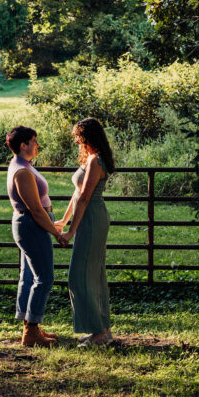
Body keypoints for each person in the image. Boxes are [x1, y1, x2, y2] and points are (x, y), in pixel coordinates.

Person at [6, 125, 67, 347]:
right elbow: (35, 208)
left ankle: (30, 326)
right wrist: (55, 232)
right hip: (32, 225)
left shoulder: (23, 165)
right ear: (23, 145)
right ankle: (31, 331)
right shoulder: (22, 172)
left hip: (32, 224)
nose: (37, 145)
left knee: (29, 277)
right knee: (45, 278)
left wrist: (52, 222)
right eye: (34, 141)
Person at [55, 117, 114, 346]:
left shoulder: (96, 161)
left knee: (80, 275)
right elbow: (77, 193)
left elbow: (86, 198)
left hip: (92, 217)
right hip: (89, 216)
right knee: (92, 274)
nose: (76, 140)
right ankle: (101, 329)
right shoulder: (90, 158)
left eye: (78, 136)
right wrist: (64, 219)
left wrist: (70, 232)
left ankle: (99, 334)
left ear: (88, 136)